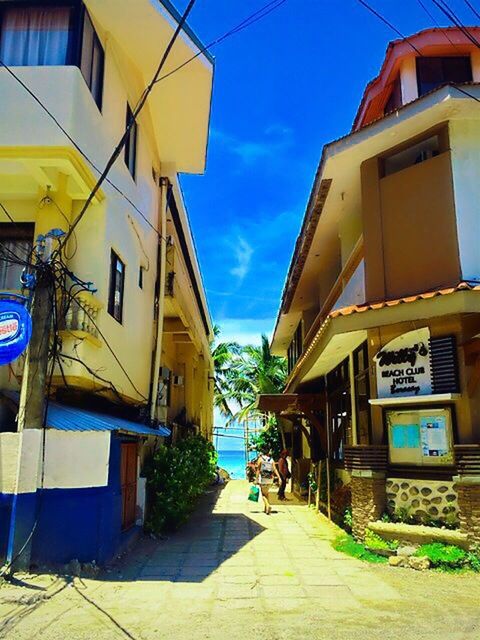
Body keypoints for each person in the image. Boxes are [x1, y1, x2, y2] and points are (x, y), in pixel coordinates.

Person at [256, 449, 281, 515]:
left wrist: (256, 479)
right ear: (268, 453)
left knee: (263, 494)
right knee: (266, 493)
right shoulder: (271, 460)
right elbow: (275, 469)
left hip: (263, 479)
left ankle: (268, 505)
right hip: (270, 479)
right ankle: (266, 509)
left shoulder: (260, 459)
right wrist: (279, 477)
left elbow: (258, 470)